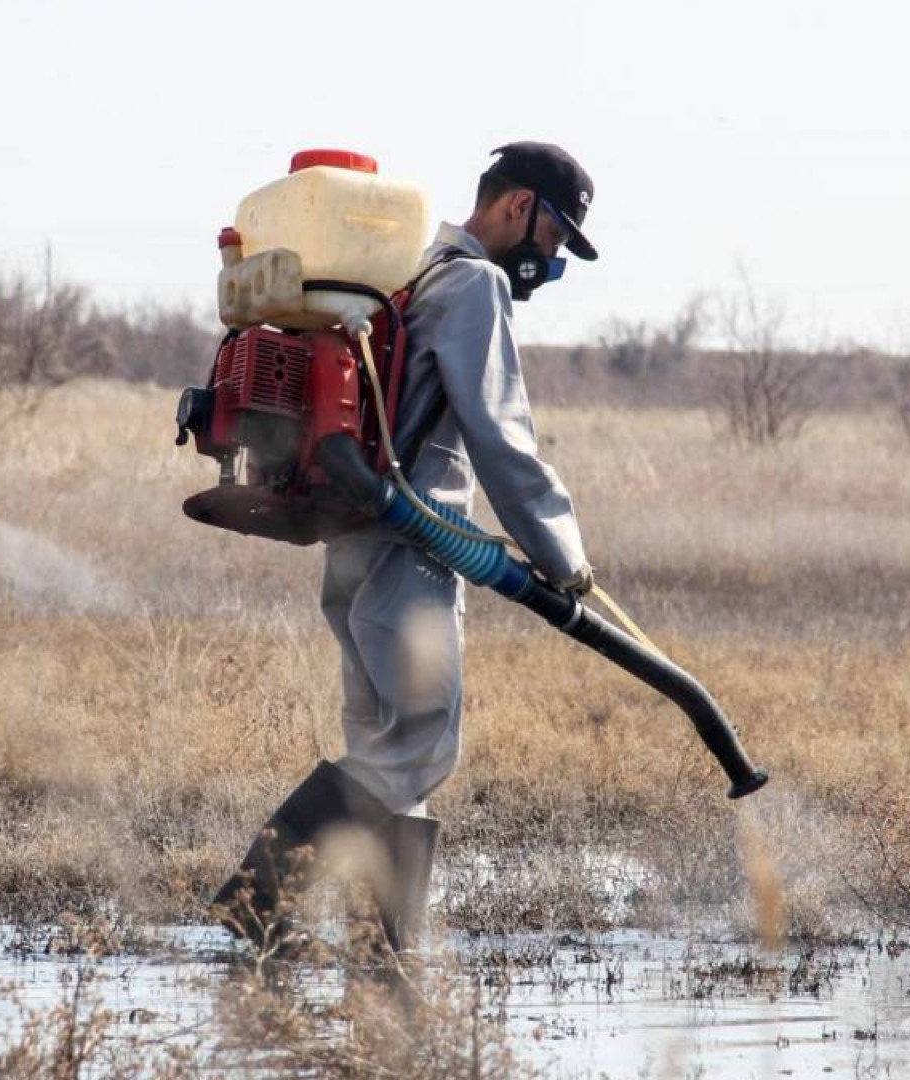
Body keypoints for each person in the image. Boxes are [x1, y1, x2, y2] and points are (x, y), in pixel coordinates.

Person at [213, 142, 601, 956]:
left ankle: (385, 943)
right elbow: (502, 439)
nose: (552, 258)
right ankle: (256, 898)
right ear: (516, 206)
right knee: (422, 745)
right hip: (411, 551)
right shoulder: (472, 283)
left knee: (384, 748)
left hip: (353, 546)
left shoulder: (403, 270)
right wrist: (563, 555)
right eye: (556, 235)